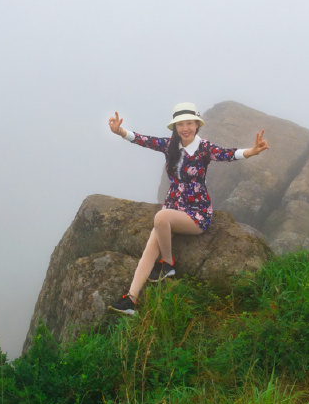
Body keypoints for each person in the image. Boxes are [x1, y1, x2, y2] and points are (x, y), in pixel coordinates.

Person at [105, 102, 269, 315]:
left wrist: (252, 151)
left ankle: (167, 263)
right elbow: (145, 140)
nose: (185, 128)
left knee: (161, 218)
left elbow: (227, 154)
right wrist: (120, 132)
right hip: (173, 208)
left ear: (197, 125)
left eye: (189, 123)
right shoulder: (170, 146)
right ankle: (131, 299)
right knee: (153, 239)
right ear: (175, 127)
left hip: (196, 213)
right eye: (180, 124)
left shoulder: (204, 148)